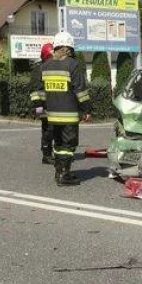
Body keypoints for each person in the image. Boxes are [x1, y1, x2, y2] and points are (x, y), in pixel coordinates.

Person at [39, 31, 92, 186]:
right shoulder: (73, 65)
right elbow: (80, 91)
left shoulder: (46, 66)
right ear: (70, 48)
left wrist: (41, 110)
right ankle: (64, 175)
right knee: (68, 146)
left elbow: (42, 91)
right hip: (69, 114)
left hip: (52, 115)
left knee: (58, 144)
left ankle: (58, 173)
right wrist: (87, 110)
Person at [30, 42, 55, 164]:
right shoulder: (39, 70)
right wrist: (39, 108)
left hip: (54, 105)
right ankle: (46, 154)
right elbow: (35, 91)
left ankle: (51, 152)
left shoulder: (53, 68)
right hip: (43, 106)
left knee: (55, 130)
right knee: (48, 130)